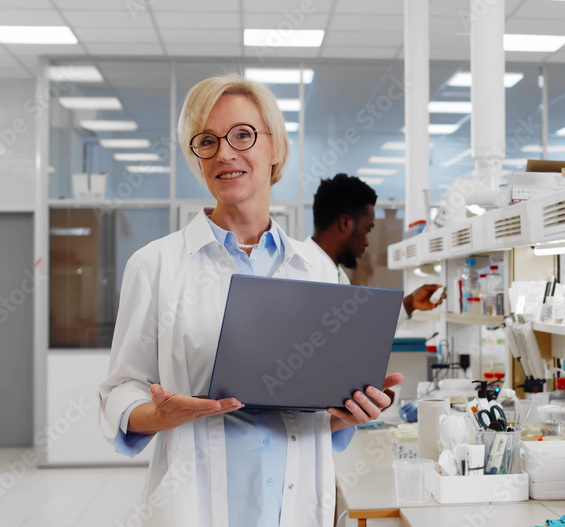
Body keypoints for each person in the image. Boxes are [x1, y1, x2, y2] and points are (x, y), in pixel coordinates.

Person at [97, 75, 400, 527]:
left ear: (274, 147)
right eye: (206, 141)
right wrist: (160, 415)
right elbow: (119, 390)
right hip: (198, 508)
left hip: (295, 509)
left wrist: (354, 410)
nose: (224, 153)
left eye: (242, 135)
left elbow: (321, 416)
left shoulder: (317, 269)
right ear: (196, 158)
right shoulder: (156, 265)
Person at [305, 172, 443, 317]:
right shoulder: (304, 274)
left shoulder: (338, 274)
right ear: (345, 224)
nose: (367, 242)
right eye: (366, 230)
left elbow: (357, 330)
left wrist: (409, 304)